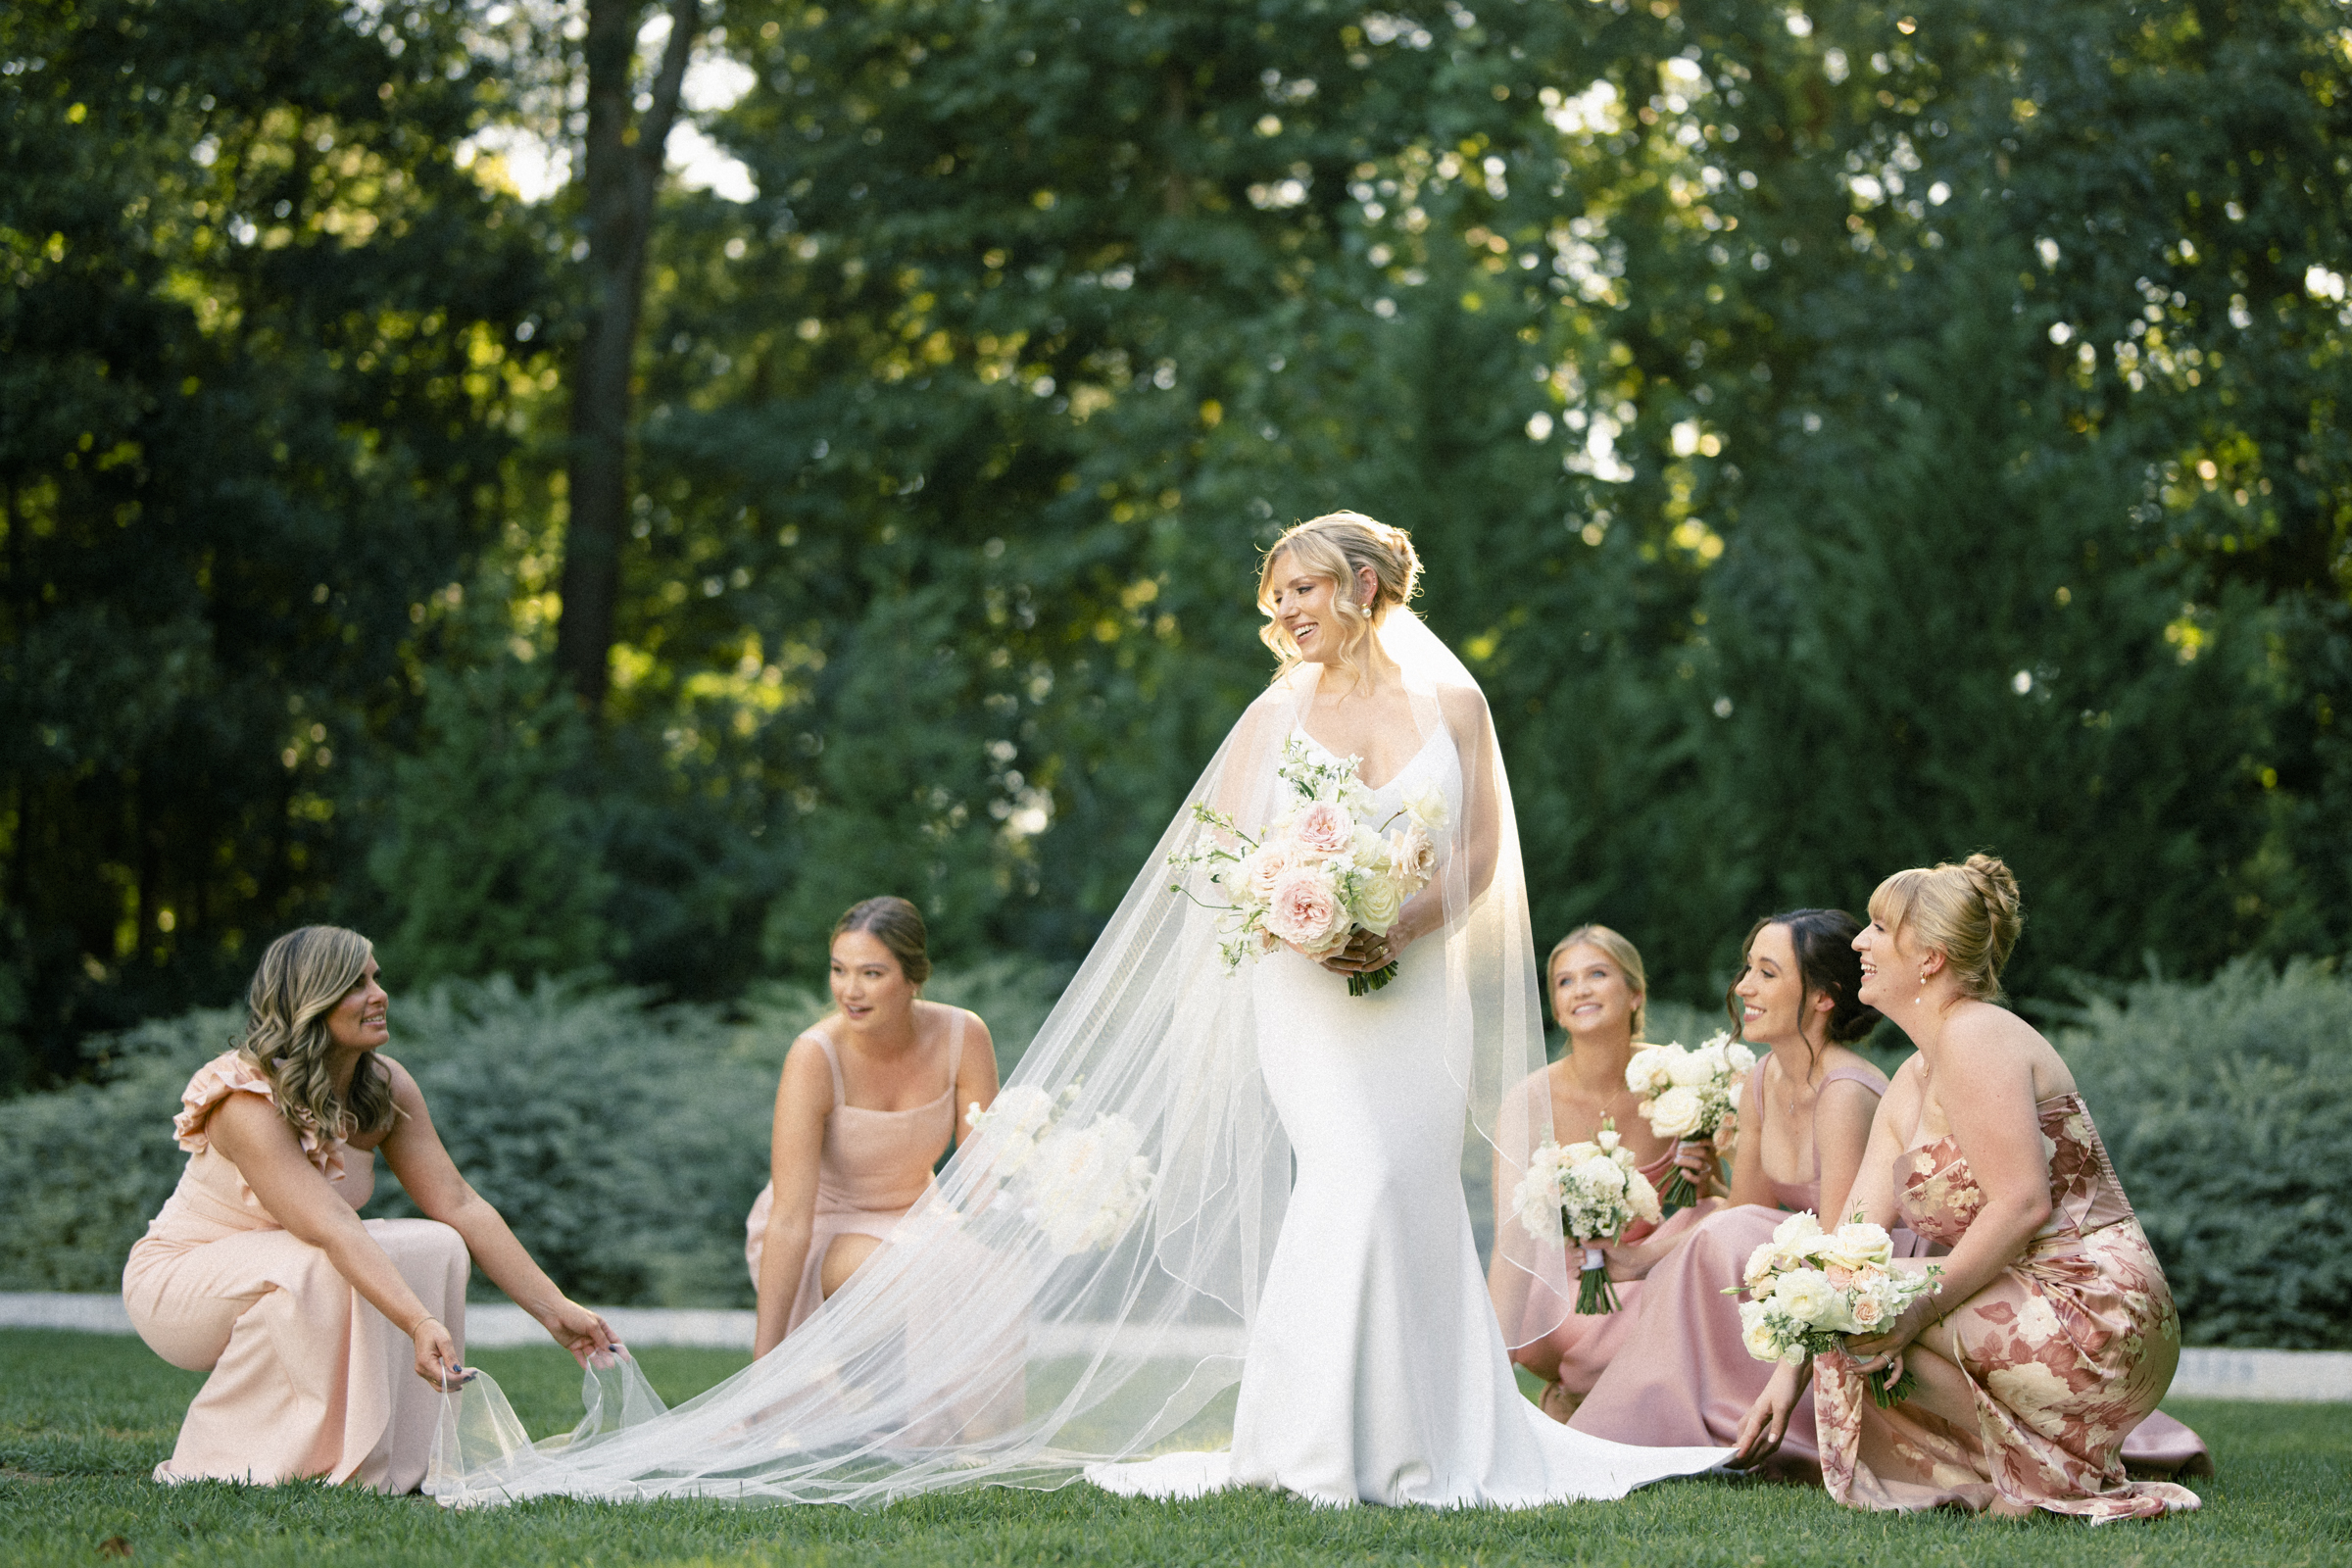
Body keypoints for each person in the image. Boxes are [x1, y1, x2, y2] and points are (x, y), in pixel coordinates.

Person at [425, 512, 1723, 1507]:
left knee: (1405, 1181)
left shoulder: (1452, 702)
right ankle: (1314, 1441)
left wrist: (1396, 921)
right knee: (1350, 1176)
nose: (1286, 615)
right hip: (1306, 996)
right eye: (1275, 599)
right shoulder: (1279, 710)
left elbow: (1484, 858)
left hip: (1409, 987)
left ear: (1363, 588)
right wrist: (1309, 911)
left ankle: (1437, 1430)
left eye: (1305, 591)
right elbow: (1234, 856)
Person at [1734, 857, 2202, 1521]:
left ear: (1929, 956)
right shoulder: (1911, 1078)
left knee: (1871, 1302)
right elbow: (1853, 1244)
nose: (1859, 943)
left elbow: (2022, 1204)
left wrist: (1914, 1310)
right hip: (2021, 1304)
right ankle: (2018, 1472)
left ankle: (2050, 1477)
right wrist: (1786, 1376)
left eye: (1875, 927)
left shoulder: (1977, 1035)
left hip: (2097, 1308)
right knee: (1845, 1294)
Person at [122, 925, 616, 1493]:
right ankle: (240, 1460)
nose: (379, 994)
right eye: (356, 984)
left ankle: (402, 1461)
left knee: (436, 1243)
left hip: (294, 1259)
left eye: (375, 978)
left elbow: (458, 1204)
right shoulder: (244, 1098)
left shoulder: (383, 1086)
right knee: (325, 1258)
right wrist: (418, 1322)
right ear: (312, 1001)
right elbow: (330, 1226)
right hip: (180, 1281)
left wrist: (555, 1311)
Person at [1566, 909, 1894, 1473]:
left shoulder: (1846, 1094)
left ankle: (1741, 1416)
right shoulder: (1763, 1078)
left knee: (1724, 1231)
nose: (1743, 987)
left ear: (1822, 997)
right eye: (1748, 969)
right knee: (1717, 1225)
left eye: (1767, 973)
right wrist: (1637, 1257)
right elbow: (1744, 1208)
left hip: (1865, 1282)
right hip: (1799, 1269)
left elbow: (1846, 1252)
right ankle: (1655, 1419)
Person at [745, 896, 999, 1356]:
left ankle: (982, 1430)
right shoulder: (813, 1056)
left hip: (922, 1222)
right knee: (921, 1272)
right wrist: (763, 1367)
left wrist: (1009, 1242)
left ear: (913, 978)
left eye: (871, 974)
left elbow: (983, 1177)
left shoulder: (966, 1037)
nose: (849, 991)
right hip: (823, 1227)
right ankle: (915, 1420)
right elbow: (789, 1218)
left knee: (989, 1272)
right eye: (839, 969)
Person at [1501, 926, 1721, 1422]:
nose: (1580, 989)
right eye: (1564, 981)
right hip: (1565, 1281)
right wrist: (1496, 1362)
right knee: (1660, 1310)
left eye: (1597, 974)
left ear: (1635, 994)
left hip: (1649, 1270)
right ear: (1557, 1009)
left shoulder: (1678, 1079)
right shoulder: (1529, 1099)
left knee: (1714, 1217)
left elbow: (1715, 1202)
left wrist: (1705, 1178)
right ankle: (1597, 1388)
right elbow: (1510, 1242)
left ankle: (1587, 1399)